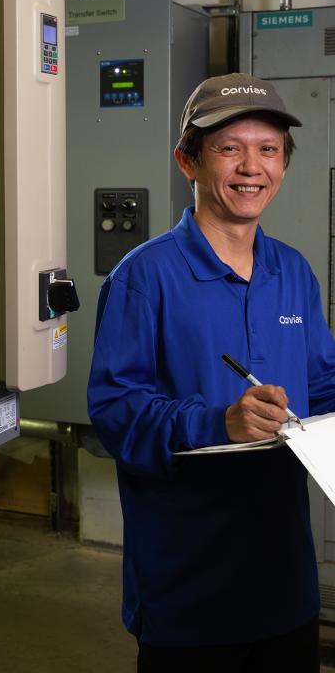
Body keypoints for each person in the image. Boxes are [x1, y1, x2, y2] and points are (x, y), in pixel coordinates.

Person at [87, 73, 335, 672]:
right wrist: (218, 421)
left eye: (269, 149)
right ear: (188, 162)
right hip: (187, 591)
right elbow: (116, 413)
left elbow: (322, 386)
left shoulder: (293, 272)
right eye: (230, 148)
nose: (252, 166)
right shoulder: (144, 278)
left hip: (284, 582)